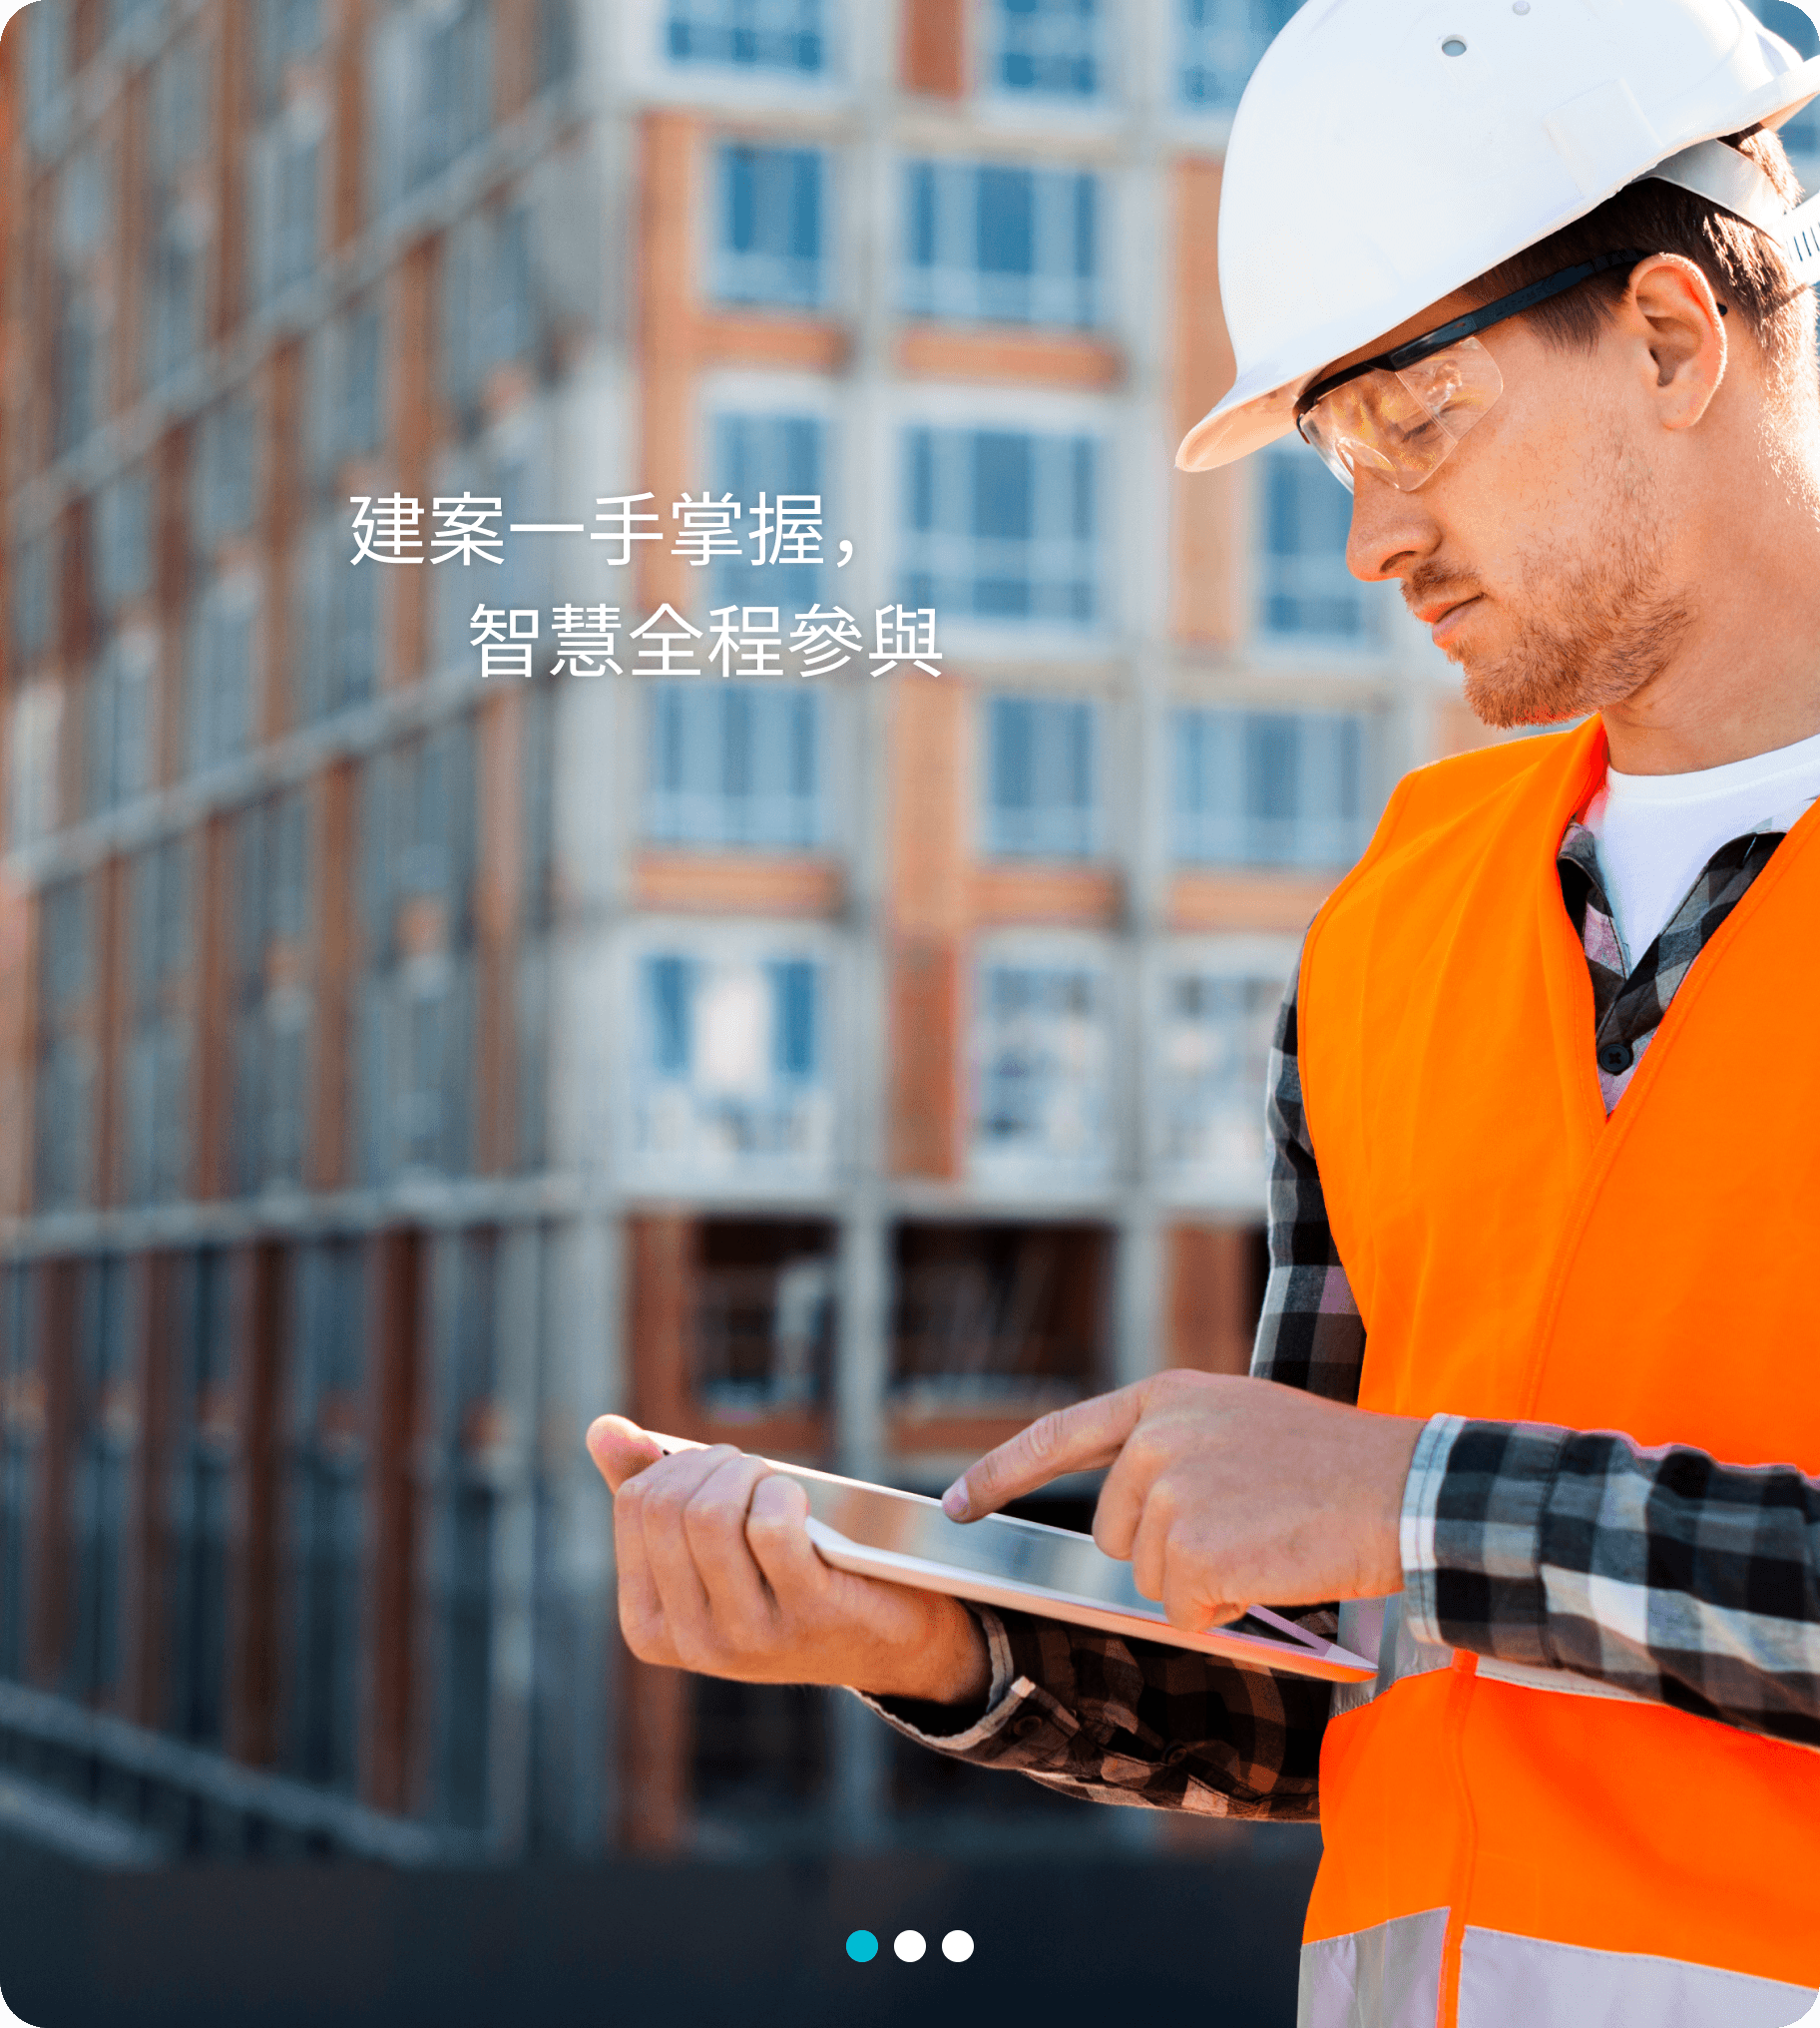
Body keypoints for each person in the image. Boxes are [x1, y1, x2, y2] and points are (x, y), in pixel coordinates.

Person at [588, 3, 1820, 2020]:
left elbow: (1396, 1513)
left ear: (1673, 335)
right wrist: (931, 1633)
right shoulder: (1391, 931)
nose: (1370, 538)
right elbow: (1351, 1667)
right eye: (1342, 449)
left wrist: (1410, 1491)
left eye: (1414, 416)